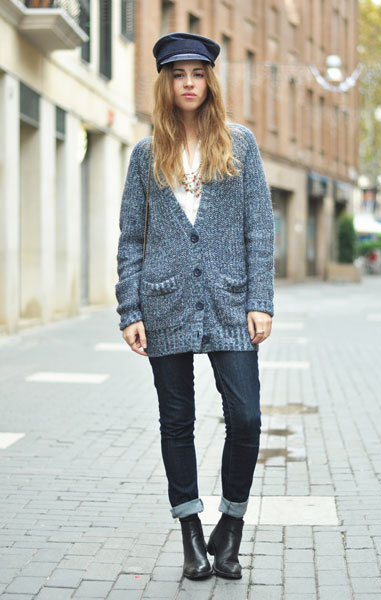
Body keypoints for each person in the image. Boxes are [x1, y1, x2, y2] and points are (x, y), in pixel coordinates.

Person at [115, 32, 274, 581]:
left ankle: (229, 527)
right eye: (179, 74)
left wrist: (260, 301)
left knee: (246, 418)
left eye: (198, 74)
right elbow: (131, 238)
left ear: (210, 81)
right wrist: (130, 311)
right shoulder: (145, 155)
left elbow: (260, 229)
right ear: (166, 82)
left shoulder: (240, 144)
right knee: (176, 421)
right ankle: (190, 532)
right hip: (164, 303)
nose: (189, 83)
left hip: (230, 303)